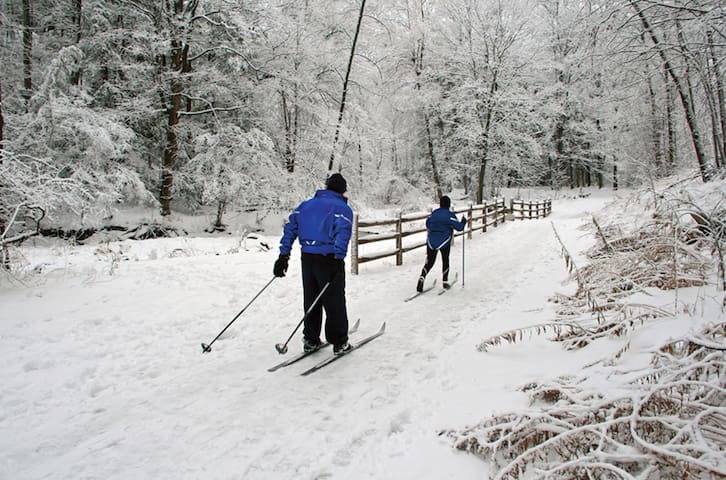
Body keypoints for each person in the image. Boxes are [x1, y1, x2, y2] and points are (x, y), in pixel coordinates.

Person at [273, 173, 354, 355]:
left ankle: (311, 339)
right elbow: (343, 233)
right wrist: (338, 258)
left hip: (307, 258)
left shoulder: (304, 206)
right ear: (342, 190)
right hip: (329, 257)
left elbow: (290, 229)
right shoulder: (342, 208)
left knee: (312, 297)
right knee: (334, 300)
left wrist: (283, 255)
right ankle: (339, 341)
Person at [417, 195, 467, 292]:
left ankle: (422, 277)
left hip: (431, 241)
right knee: (445, 260)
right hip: (444, 241)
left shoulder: (434, 213)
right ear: (448, 204)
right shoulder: (450, 215)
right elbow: (459, 228)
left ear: (440, 204)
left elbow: (427, 223)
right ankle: (444, 281)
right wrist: (464, 222)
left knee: (429, 262)